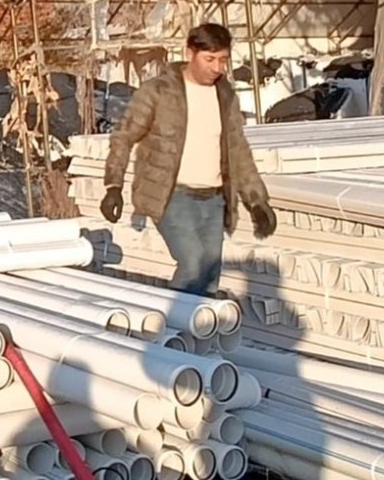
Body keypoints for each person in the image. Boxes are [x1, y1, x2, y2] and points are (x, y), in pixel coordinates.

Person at [100, 22, 277, 296]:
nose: (217, 68)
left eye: (223, 60)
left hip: (214, 199)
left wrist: (256, 201)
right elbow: (124, 136)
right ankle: (177, 321)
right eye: (210, 59)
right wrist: (113, 186)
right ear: (189, 54)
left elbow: (237, 150)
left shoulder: (225, 95)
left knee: (210, 273)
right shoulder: (158, 92)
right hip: (171, 196)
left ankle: (202, 323)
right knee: (193, 264)